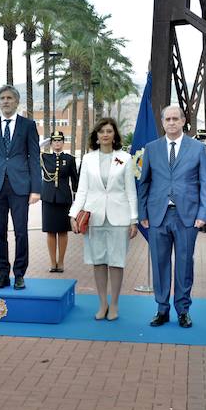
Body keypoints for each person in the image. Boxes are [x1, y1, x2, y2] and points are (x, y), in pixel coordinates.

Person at [137, 105, 206, 328]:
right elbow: (145, 183)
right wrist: (142, 213)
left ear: (183, 121)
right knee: (159, 264)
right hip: (158, 215)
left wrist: (203, 213)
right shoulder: (152, 148)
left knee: (184, 264)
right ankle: (162, 309)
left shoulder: (198, 148)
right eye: (167, 119)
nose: (171, 122)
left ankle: (183, 310)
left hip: (187, 217)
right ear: (162, 123)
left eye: (175, 119)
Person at [69, 118, 138, 321]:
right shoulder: (88, 159)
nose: (105, 134)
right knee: (98, 261)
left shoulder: (125, 158)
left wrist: (134, 219)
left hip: (120, 217)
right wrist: (73, 214)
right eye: (101, 131)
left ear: (115, 135)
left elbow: (130, 191)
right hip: (94, 216)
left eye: (109, 131)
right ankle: (102, 304)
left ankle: (114, 304)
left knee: (116, 262)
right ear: (96, 136)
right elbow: (82, 190)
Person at [0, 85, 41, 290]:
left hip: (20, 187)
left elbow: (34, 158)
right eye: (2, 98)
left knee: (21, 232)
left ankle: (20, 274)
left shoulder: (28, 126)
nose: (5, 101)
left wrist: (36, 189)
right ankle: (3, 274)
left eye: (9, 98)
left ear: (16, 102)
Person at [41, 130, 79, 273]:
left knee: (63, 231)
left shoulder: (69, 159)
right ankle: (52, 262)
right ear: (51, 143)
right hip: (48, 198)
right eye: (54, 141)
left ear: (63, 142)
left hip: (64, 199)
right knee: (50, 231)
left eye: (59, 141)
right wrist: (43, 142)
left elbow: (75, 181)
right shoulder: (44, 157)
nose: (57, 143)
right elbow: (29, 152)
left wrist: (76, 201)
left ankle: (61, 262)